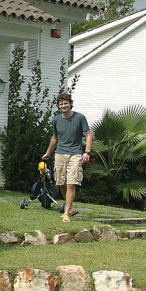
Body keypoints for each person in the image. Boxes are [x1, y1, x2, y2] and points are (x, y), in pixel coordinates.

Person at [42, 92, 93, 223]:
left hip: (75, 154)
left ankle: (66, 213)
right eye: (61, 104)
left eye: (65, 103)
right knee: (61, 182)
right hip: (60, 154)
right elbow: (55, 138)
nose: (63, 106)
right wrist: (48, 153)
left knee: (71, 183)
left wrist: (87, 152)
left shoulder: (80, 118)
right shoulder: (56, 120)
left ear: (70, 104)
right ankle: (70, 208)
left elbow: (88, 135)